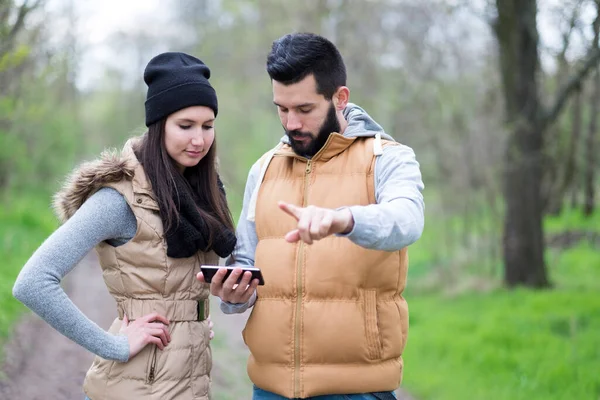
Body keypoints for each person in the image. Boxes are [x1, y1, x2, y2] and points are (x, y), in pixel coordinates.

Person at [197, 33, 425, 399]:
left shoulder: (389, 157)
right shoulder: (265, 168)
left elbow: (407, 219)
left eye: (304, 110)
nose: (291, 123)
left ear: (340, 98)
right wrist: (233, 293)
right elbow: (245, 259)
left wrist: (343, 220)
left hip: (358, 390)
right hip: (270, 389)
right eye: (282, 109)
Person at [13, 52, 236, 400]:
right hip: (135, 387)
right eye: (186, 125)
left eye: (207, 126)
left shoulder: (200, 193)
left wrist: (192, 321)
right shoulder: (119, 198)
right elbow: (32, 282)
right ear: (159, 124)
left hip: (189, 381)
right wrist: (113, 345)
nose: (199, 140)